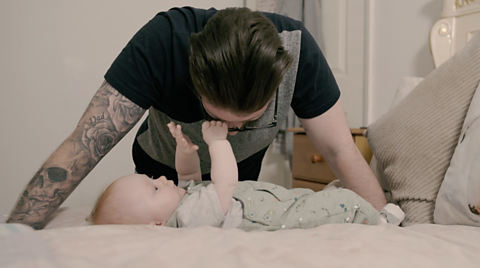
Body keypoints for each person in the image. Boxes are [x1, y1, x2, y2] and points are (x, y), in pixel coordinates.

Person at [7, 7, 386, 229]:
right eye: (221, 119)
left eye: (246, 124)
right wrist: (15, 235)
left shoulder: (299, 52)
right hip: (163, 164)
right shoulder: (162, 43)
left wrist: (386, 221)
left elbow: (340, 151)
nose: (233, 132)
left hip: (236, 180)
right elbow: (84, 145)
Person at [91, 121, 403, 229]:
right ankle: (379, 222)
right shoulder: (189, 219)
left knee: (320, 195)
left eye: (152, 179)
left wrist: (185, 152)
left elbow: (189, 176)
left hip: (277, 201)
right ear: (157, 225)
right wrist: (217, 143)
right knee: (343, 204)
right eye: (154, 189)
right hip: (279, 219)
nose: (160, 179)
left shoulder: (184, 203)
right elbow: (224, 182)